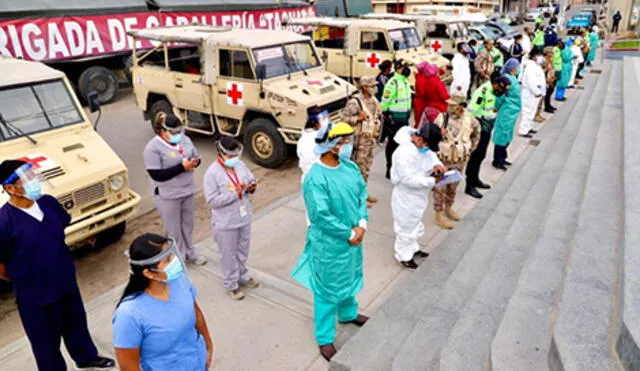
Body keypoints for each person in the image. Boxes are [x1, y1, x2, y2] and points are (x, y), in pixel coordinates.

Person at [0, 159, 115, 371]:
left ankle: (86, 357)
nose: (34, 182)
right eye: (26, 180)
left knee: (76, 323)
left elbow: (59, 229)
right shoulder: (4, 222)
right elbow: (2, 266)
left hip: (64, 280)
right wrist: (24, 275)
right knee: (45, 341)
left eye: (33, 176)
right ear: (10, 188)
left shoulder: (48, 203)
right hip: (35, 295)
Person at [291, 122, 369, 362]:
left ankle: (348, 313)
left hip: (354, 238)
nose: (347, 146)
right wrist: (348, 234)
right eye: (342, 142)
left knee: (349, 277)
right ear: (330, 146)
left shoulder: (350, 167)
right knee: (326, 290)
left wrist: (362, 224)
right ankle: (324, 337)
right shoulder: (315, 178)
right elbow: (320, 216)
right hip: (330, 245)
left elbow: (361, 195)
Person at [113, 233, 214, 371]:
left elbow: (196, 313)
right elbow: (129, 366)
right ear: (149, 273)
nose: (175, 261)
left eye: (172, 254)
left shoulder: (179, 281)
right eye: (167, 259)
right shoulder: (129, 315)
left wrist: (208, 345)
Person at [143, 113, 207, 265]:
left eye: (179, 131)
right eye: (174, 132)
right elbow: (156, 174)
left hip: (187, 190)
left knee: (188, 224)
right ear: (163, 131)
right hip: (168, 195)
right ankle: (178, 258)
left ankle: (191, 253)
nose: (178, 135)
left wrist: (195, 162)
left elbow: (196, 156)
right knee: (173, 229)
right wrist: (181, 167)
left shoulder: (185, 140)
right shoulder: (152, 148)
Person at [203, 136, 259, 300]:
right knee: (228, 253)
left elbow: (250, 179)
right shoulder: (212, 174)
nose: (234, 159)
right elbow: (212, 201)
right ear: (220, 154)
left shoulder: (240, 165)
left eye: (236, 155)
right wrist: (235, 192)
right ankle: (231, 284)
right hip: (226, 222)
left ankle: (242, 275)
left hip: (243, 216)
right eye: (230, 156)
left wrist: (251, 186)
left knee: (242, 250)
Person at [390, 122, 446, 269]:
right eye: (427, 145)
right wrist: (432, 180)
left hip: (419, 195)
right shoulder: (403, 153)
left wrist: (437, 165)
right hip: (406, 195)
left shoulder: (422, 147)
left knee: (414, 222)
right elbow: (409, 180)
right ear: (419, 140)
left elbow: (431, 156)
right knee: (405, 225)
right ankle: (403, 255)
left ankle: (413, 249)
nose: (427, 149)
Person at [432, 102, 481, 229]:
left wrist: (468, 150)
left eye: (455, 106)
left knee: (453, 187)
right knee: (439, 188)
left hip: (459, 160)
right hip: (442, 160)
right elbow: (431, 136)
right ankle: (439, 214)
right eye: (450, 105)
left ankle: (448, 208)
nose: (451, 108)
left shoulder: (470, 120)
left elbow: (476, 135)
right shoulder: (441, 118)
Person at [466, 74, 511, 198]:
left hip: (486, 128)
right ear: (497, 85)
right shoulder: (483, 92)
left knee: (481, 155)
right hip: (479, 129)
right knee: (475, 156)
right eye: (501, 90)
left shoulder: (492, 92)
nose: (501, 93)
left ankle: (475, 179)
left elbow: (488, 109)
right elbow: (471, 112)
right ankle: (469, 185)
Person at [342, 75, 382, 204]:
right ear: (364, 87)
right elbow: (343, 119)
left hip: (370, 140)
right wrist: (357, 119)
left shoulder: (374, 100)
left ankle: (363, 192)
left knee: (367, 168)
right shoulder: (355, 102)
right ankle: (357, 197)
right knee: (358, 169)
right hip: (360, 142)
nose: (374, 88)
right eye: (372, 86)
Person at [381, 59, 412, 179]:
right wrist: (386, 115)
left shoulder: (405, 82)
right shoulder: (393, 83)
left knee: (402, 144)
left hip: (404, 118)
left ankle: (399, 167)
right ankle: (390, 168)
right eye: (405, 67)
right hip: (394, 119)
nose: (407, 69)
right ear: (398, 68)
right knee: (393, 144)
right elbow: (385, 101)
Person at [493, 58, 522, 170]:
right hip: (506, 110)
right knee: (502, 134)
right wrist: (496, 107)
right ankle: (497, 160)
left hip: (512, 111)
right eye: (517, 67)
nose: (518, 69)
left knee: (507, 134)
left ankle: (503, 157)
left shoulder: (513, 78)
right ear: (512, 68)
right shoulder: (505, 79)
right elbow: (500, 96)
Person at [518, 49, 546, 138]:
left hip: (534, 93)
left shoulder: (535, 66)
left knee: (532, 111)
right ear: (534, 57)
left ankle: (528, 127)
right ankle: (523, 131)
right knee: (527, 111)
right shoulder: (530, 67)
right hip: (530, 93)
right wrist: (537, 92)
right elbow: (531, 81)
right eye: (539, 56)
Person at [298, 107, 327, 183]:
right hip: (317, 181)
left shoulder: (303, 139)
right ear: (316, 123)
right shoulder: (312, 140)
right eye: (323, 120)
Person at [542, 46, 558, 113]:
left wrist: (553, 76)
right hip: (546, 79)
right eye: (550, 52)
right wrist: (546, 70)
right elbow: (542, 70)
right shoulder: (543, 60)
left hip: (551, 78)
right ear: (547, 53)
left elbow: (553, 68)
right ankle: (546, 107)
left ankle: (549, 105)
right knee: (547, 93)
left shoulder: (551, 60)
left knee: (551, 91)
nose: (552, 54)